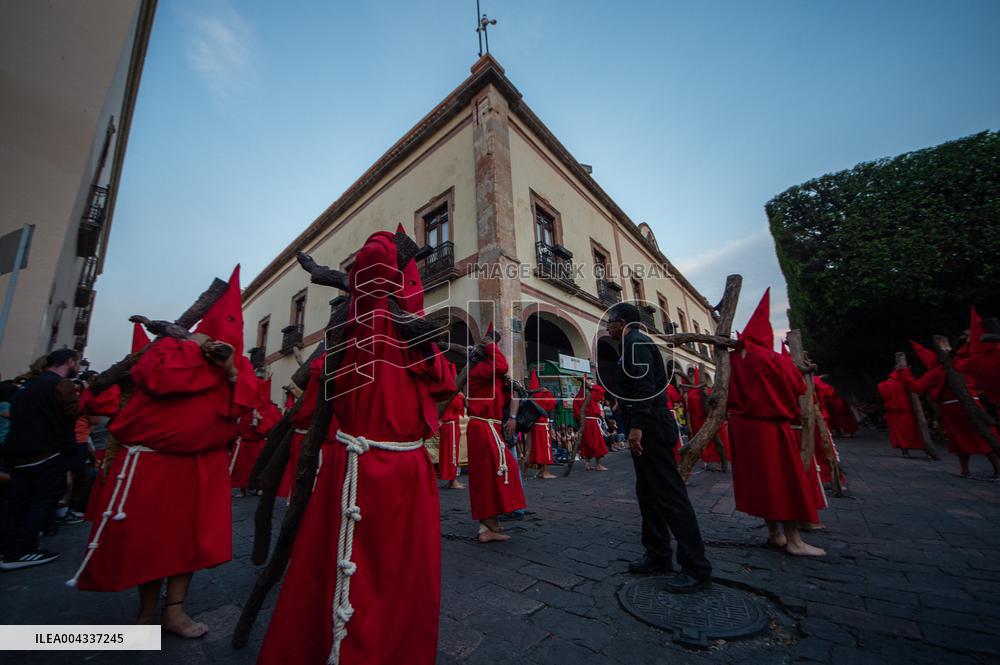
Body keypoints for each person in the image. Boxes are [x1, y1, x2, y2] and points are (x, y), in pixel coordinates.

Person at [258, 230, 454, 665]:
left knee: (329, 568)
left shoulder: (346, 331)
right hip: (395, 470)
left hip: (345, 466)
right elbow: (443, 383)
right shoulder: (406, 332)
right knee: (391, 574)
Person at [67, 266, 259, 638]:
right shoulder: (172, 346)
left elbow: (246, 404)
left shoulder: (239, 363)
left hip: (203, 464)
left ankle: (175, 612)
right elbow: (152, 377)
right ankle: (146, 613)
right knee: (150, 542)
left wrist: (231, 368)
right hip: (153, 463)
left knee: (187, 543)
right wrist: (193, 346)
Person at [606, 302, 712, 591]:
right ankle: (657, 554)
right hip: (646, 423)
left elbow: (645, 389)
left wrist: (637, 427)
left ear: (623, 322)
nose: (607, 327)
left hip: (650, 427)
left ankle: (696, 566)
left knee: (669, 495)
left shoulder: (636, 343)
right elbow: (652, 382)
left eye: (610, 322)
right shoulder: (633, 344)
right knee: (648, 493)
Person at [727, 290, 825, 556]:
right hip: (770, 427)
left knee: (762, 482)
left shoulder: (733, 362)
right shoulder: (772, 360)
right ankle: (794, 540)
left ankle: (774, 533)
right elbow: (798, 388)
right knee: (784, 481)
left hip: (743, 429)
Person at [0, 349, 81, 570]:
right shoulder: (61, 385)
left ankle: (8, 548)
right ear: (70, 362)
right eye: (77, 363)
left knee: (17, 501)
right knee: (44, 499)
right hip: (46, 452)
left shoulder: (29, 385)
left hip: (17, 452)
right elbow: (72, 413)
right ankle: (23, 549)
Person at [465, 323, 526, 543]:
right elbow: (500, 365)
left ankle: (491, 524)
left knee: (496, 474)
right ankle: (486, 526)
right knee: (491, 476)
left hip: (488, 427)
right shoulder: (478, 371)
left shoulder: (488, 376)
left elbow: (509, 388)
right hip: (482, 427)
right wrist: (492, 346)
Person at [904, 339, 1000, 478]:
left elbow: (916, 387)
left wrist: (905, 374)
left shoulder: (939, 370)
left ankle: (966, 471)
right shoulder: (963, 363)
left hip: (954, 408)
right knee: (983, 435)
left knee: (962, 439)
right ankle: (994, 469)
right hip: (972, 404)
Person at [878, 367, 928, 457]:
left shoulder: (881, 385)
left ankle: (905, 452)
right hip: (905, 411)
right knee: (914, 431)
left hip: (891, 412)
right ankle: (926, 450)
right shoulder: (900, 384)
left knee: (899, 433)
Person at [526, 368, 557, 479]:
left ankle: (540, 470)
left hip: (534, 425)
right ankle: (545, 472)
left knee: (537, 448)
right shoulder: (541, 396)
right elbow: (552, 402)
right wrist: (546, 391)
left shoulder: (530, 397)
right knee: (544, 448)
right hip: (542, 426)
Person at [439, 361, 466, 489]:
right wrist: (461, 396)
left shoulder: (444, 391)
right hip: (451, 425)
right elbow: (459, 408)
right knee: (452, 453)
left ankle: (450, 478)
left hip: (446, 425)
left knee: (446, 453)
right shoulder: (454, 394)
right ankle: (452, 480)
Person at [574, 379, 608, 470]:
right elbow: (602, 390)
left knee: (587, 443)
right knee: (597, 443)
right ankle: (599, 465)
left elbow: (576, 414)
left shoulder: (577, 398)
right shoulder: (592, 395)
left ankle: (587, 464)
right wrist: (592, 386)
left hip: (583, 422)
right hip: (592, 422)